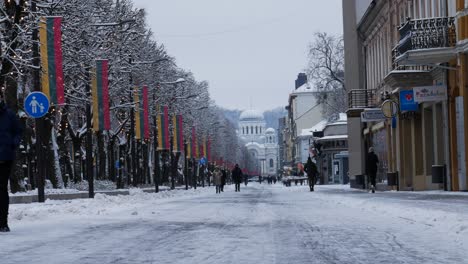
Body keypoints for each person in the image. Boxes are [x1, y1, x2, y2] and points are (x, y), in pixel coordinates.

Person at [0, 93, 22, 232]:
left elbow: (18, 131)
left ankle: (3, 222)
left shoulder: (9, 114)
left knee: (1, 189)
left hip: (4, 157)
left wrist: (13, 144)